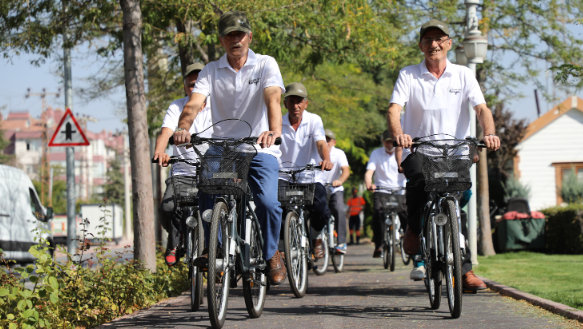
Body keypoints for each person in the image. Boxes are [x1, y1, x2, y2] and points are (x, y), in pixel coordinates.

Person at [173, 11, 287, 285]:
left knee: (269, 203)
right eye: (230, 35)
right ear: (222, 40)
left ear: (249, 36)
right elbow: (193, 103)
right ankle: (215, 249)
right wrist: (183, 127)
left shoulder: (265, 64)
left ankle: (271, 252)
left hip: (260, 147)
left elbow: (273, 98)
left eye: (240, 34)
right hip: (223, 147)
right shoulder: (211, 70)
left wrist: (274, 131)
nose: (236, 40)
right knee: (206, 190)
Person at [387, 19, 500, 290]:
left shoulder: (463, 74)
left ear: (449, 43)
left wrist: (489, 133)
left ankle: (464, 270)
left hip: (455, 151)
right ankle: (414, 229)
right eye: (428, 40)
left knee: (454, 205)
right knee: (417, 183)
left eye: (439, 39)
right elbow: (394, 110)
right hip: (419, 149)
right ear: (421, 46)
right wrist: (400, 134)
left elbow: (482, 109)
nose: (433, 44)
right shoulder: (409, 74)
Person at [152, 62, 212, 266]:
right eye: (190, 85)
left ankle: (219, 252)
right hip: (182, 172)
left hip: (211, 173)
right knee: (168, 208)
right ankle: (175, 240)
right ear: (185, 87)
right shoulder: (177, 107)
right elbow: (165, 132)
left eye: (199, 84)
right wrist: (160, 151)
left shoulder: (218, 106)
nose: (194, 89)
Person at [278, 82, 334, 259]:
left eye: (299, 101)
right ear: (285, 104)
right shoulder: (277, 121)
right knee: (274, 207)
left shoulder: (314, 120)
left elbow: (320, 143)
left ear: (306, 104)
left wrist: (326, 158)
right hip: (283, 174)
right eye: (292, 101)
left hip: (309, 174)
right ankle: (279, 248)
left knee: (320, 208)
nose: (296, 106)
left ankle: (316, 237)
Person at [364, 130, 406, 259]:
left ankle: (409, 240)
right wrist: (369, 184)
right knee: (378, 213)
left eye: (391, 141)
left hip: (400, 189)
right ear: (383, 141)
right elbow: (369, 172)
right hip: (381, 190)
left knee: (407, 214)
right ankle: (379, 245)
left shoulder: (403, 152)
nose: (389, 143)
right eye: (387, 141)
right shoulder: (376, 154)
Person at [318, 129, 350, 254]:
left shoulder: (339, 153)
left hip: (334, 187)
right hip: (319, 188)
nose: (326, 142)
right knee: (313, 211)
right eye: (323, 139)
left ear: (334, 142)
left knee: (338, 209)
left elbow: (345, 170)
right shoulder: (314, 152)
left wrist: (340, 180)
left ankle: (341, 242)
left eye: (329, 140)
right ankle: (314, 241)